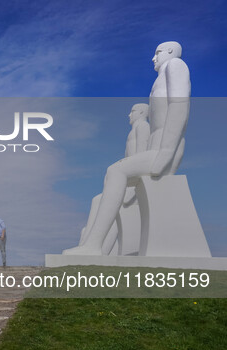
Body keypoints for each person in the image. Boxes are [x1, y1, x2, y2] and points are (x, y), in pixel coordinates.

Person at [64, 41, 190, 255]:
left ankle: (93, 245)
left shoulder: (175, 65)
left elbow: (180, 104)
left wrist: (166, 151)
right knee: (112, 176)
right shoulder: (161, 77)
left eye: (157, 52)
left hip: (165, 149)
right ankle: (92, 244)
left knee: (115, 171)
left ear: (170, 52)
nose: (154, 58)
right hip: (158, 148)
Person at [77, 103, 151, 255]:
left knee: (101, 201)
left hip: (135, 184)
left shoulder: (143, 127)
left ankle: (95, 247)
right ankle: (88, 244)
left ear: (142, 112)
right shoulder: (133, 132)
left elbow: (140, 158)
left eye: (132, 111)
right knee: (97, 200)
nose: (129, 115)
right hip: (128, 181)